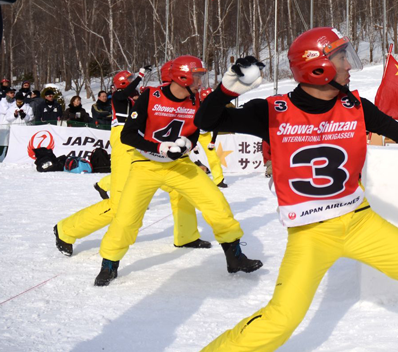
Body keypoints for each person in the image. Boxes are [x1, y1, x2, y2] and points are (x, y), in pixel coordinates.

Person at [196, 29, 398, 352]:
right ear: (318, 66)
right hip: (311, 231)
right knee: (282, 319)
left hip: (359, 220)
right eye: (342, 58)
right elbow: (207, 121)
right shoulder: (272, 110)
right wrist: (226, 91)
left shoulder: (356, 105)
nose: (350, 65)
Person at [91, 56, 262, 287]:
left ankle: (235, 257)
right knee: (127, 219)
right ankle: (109, 262)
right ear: (182, 76)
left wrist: (187, 145)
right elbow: (127, 135)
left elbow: (193, 132)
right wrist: (159, 147)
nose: (200, 82)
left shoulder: (195, 102)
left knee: (216, 203)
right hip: (146, 165)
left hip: (178, 164)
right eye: (197, 77)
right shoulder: (150, 97)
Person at [53, 66, 212, 260]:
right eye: (129, 78)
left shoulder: (152, 98)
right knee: (120, 205)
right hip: (125, 144)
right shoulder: (120, 95)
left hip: (150, 147)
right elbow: (129, 95)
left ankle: (187, 235)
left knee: (181, 190)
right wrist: (141, 76)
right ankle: (66, 230)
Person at [196, 88, 228, 189]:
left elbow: (216, 125)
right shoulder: (195, 106)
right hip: (192, 133)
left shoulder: (215, 109)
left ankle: (218, 179)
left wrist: (213, 141)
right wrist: (193, 144)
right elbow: (188, 124)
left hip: (205, 134)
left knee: (213, 156)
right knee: (182, 155)